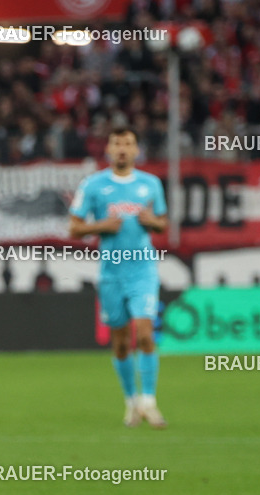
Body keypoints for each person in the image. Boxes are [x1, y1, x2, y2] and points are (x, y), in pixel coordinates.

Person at [69, 126, 168, 428]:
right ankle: (131, 402)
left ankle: (149, 402)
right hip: (111, 274)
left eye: (128, 143)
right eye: (117, 143)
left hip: (143, 270)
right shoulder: (94, 185)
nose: (122, 148)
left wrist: (154, 222)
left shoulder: (150, 184)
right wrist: (100, 226)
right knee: (121, 343)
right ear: (109, 150)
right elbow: (74, 227)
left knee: (145, 332)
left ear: (137, 150)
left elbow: (162, 222)